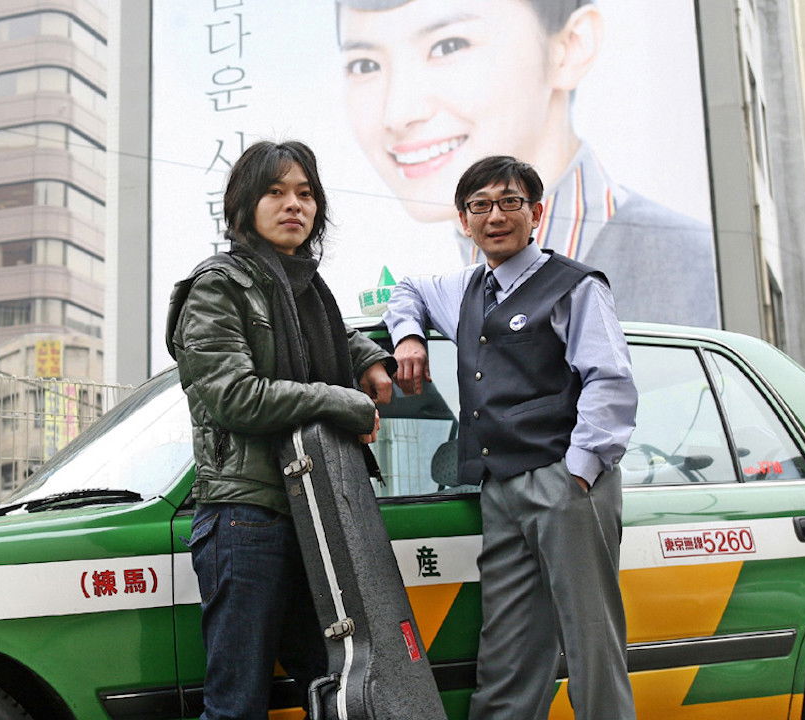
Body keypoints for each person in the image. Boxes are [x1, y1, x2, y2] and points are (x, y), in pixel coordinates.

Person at [384, 155, 638, 719]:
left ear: (536, 213)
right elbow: (407, 291)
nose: (495, 216)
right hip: (499, 489)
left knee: (591, 647)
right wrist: (408, 338)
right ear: (463, 219)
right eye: (480, 206)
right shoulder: (466, 289)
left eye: (509, 203)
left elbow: (610, 380)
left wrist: (579, 472)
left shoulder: (574, 286)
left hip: (564, 482)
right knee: (508, 653)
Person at [165, 140, 395, 720]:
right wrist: (342, 402)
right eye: (275, 192)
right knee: (237, 704)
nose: (294, 205)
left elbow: (323, 340)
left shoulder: (306, 290)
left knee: (341, 691)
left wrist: (370, 358)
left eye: (305, 193)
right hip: (248, 515)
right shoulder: (218, 286)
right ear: (244, 206)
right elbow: (234, 396)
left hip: (317, 512)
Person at [337, 0, 718, 328]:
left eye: (448, 46)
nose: (398, 113)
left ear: (570, 48)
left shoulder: (696, 266)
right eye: (365, 65)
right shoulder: (447, 280)